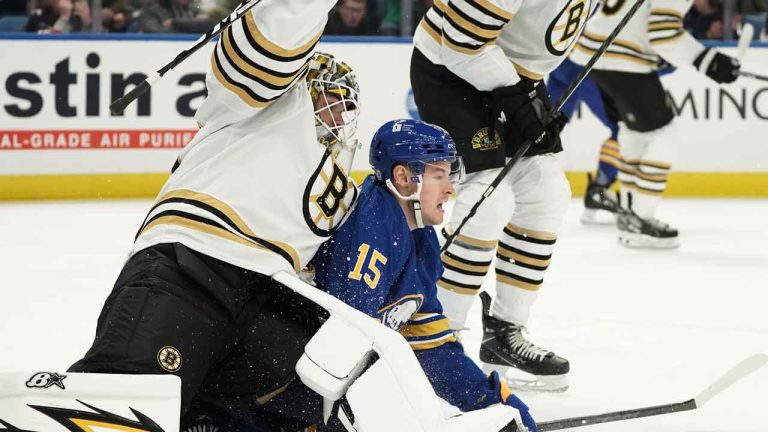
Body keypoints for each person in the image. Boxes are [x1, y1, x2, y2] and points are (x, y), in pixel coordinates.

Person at [68, 0, 361, 422]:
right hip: (192, 269)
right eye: (334, 98)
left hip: (265, 303)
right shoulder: (252, 106)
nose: (341, 114)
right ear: (305, 83)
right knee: (121, 408)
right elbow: (274, 43)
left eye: (347, 106)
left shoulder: (336, 180)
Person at [181, 119, 538, 432]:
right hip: (257, 394)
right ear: (403, 177)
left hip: (293, 389)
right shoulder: (373, 229)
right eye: (439, 175)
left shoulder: (419, 236)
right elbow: (341, 349)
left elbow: (430, 347)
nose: (450, 189)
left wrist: (491, 399)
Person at [409, 0, 597, 391]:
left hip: (511, 74)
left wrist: (520, 93)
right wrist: (515, 96)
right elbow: (460, 43)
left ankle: (504, 334)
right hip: (452, 70)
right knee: (488, 200)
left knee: (546, 191)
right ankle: (436, 343)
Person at [570, 0, 740, 248]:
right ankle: (640, 220)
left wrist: (657, 54)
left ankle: (630, 216)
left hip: (595, 52)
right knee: (662, 135)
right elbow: (663, 32)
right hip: (620, 56)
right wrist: (708, 60)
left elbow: (645, 22)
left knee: (635, 134)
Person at [547, 58, 622, 224]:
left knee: (542, 133)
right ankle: (599, 191)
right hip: (585, 70)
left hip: (559, 65)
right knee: (623, 130)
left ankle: (512, 192)